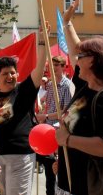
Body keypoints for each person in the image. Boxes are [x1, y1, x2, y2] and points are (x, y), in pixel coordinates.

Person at [54, 0, 103, 195]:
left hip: (91, 187)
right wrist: (67, 22)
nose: (76, 61)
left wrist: (68, 141)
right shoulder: (85, 86)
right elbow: (75, 48)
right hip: (70, 182)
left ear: (94, 61)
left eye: (81, 58)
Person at [0, 32, 46, 195]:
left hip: (20, 156)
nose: (10, 76)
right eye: (5, 74)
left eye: (13, 73)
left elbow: (39, 69)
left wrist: (43, 43)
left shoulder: (24, 90)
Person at [36, 56, 73, 195]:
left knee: (57, 166)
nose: (54, 67)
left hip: (59, 130)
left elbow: (66, 111)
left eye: (57, 65)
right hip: (48, 130)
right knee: (48, 166)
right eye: (52, 64)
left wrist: (46, 116)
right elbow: (50, 107)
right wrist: (43, 115)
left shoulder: (68, 85)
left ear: (63, 67)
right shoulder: (50, 85)